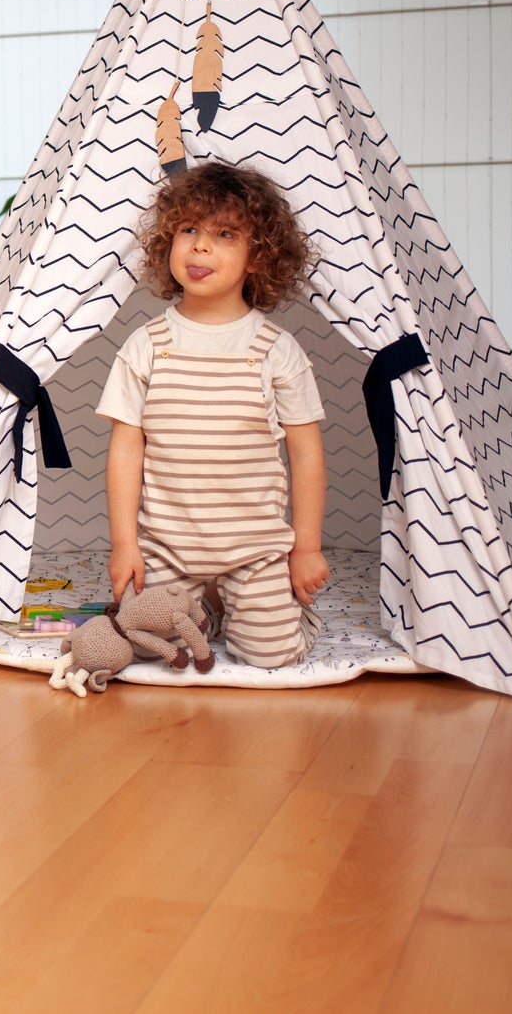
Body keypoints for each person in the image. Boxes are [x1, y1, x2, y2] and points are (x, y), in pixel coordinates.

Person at [96, 161, 328, 668]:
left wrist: (306, 548)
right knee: (143, 645)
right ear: (168, 242)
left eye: (225, 234)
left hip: (255, 547)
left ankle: (270, 611)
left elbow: (306, 452)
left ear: (257, 259)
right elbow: (125, 447)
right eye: (189, 230)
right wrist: (124, 544)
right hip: (167, 547)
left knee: (271, 655)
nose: (200, 246)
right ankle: (204, 608)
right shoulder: (147, 345)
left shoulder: (275, 348)